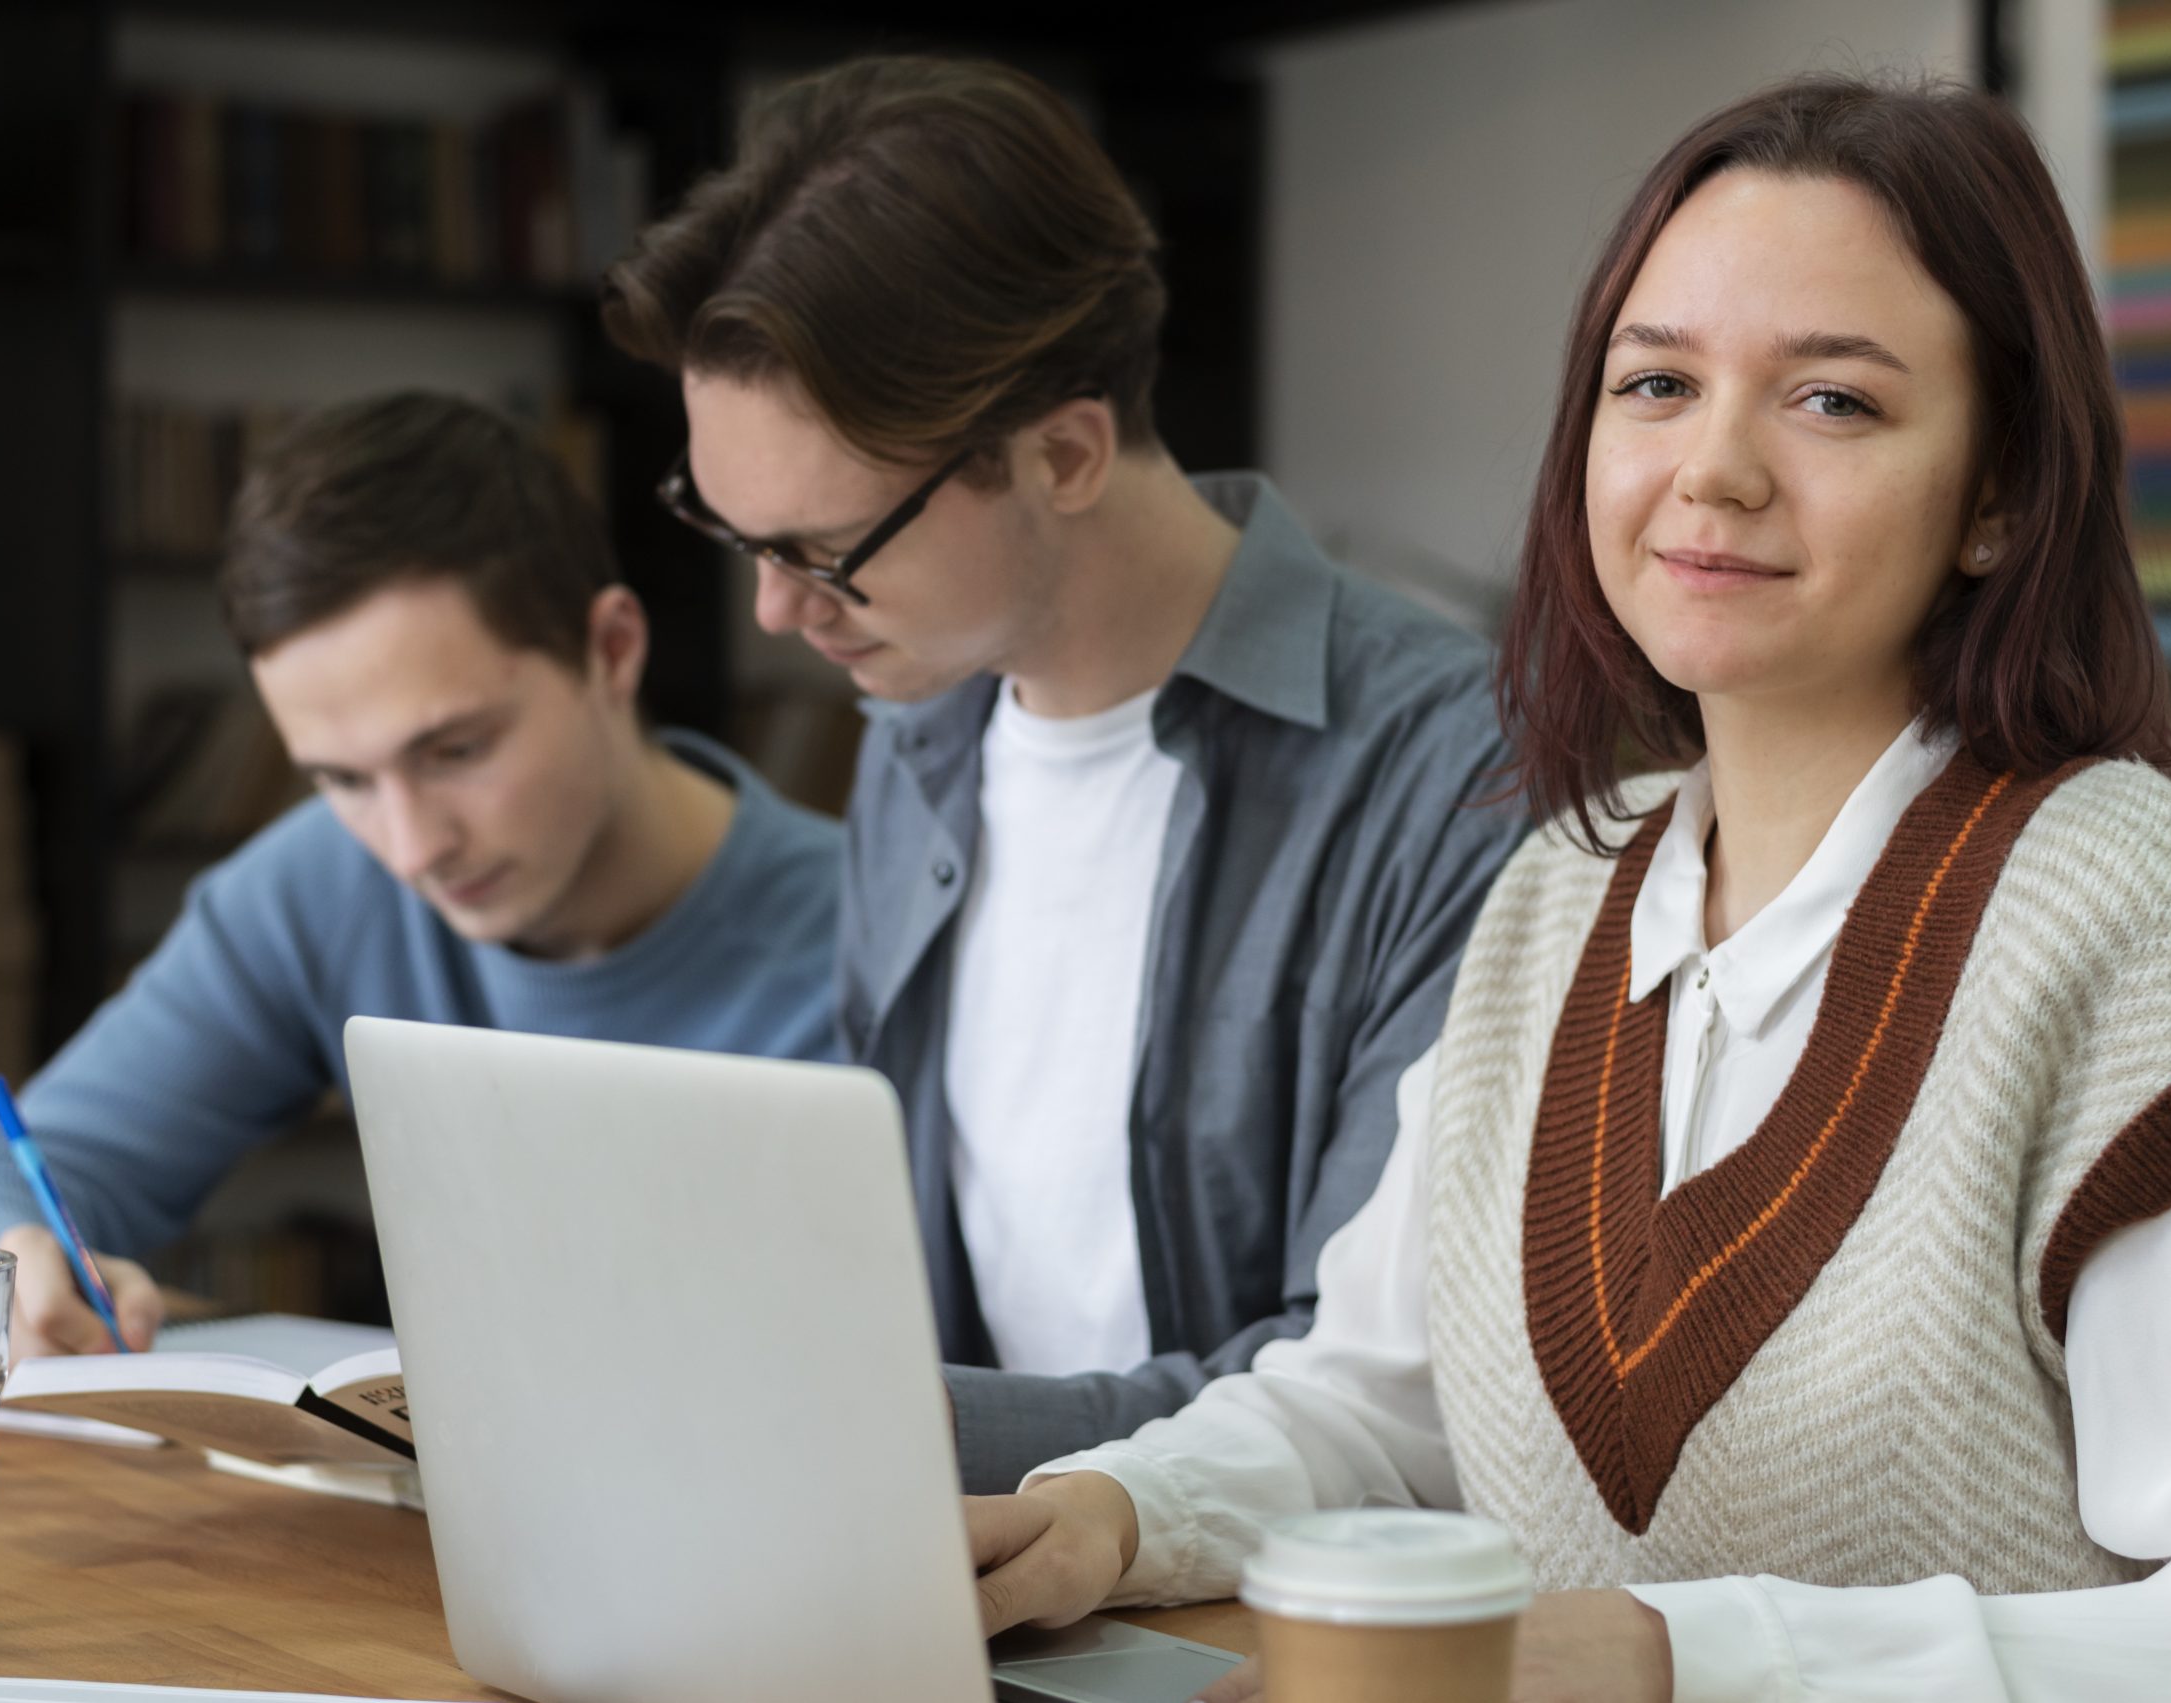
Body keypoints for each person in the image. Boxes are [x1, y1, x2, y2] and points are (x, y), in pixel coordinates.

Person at [966, 76, 2171, 1701]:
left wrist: (1679, 1651)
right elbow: (1381, 1402)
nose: (1713, 470)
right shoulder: (1557, 891)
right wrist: (1117, 1510)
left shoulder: (2139, 920)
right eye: (1656, 384)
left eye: (1832, 402)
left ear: (1998, 493)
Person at [604, 56, 1524, 1494]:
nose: (780, 613)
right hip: (953, 1578)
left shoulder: (1458, 772)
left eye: (825, 549)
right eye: (739, 537)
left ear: (1068, 450)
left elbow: (1378, 1389)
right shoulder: (919, 742)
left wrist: (880, 1426)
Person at [0, 393, 843, 1359]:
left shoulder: (877, 946)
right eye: (341, 777)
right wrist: (19, 1254)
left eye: (456, 749)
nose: (412, 849)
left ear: (612, 651)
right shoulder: (321, 887)